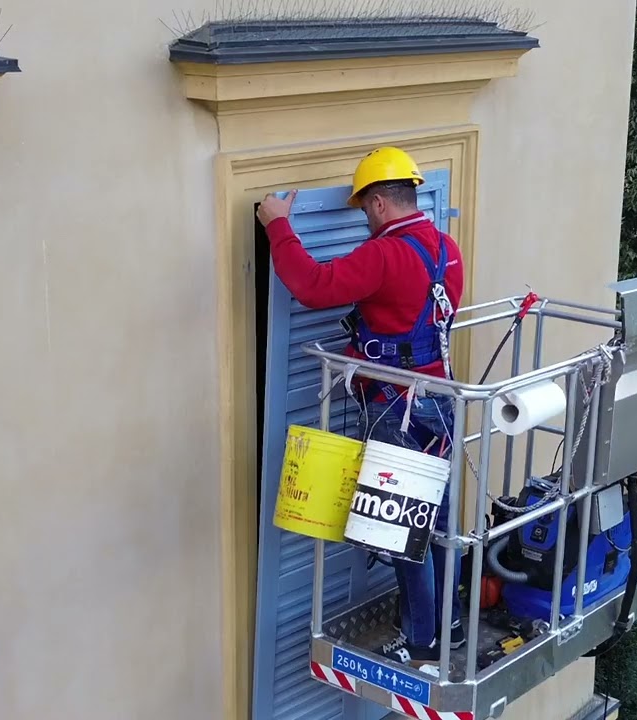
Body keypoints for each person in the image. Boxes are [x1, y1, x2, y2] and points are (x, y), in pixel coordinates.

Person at [256, 146, 466, 666]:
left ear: (377, 203)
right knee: (438, 522)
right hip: (440, 400)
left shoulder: (384, 255)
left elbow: (312, 285)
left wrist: (278, 225)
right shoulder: (447, 249)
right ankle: (451, 626)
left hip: (397, 407)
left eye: (364, 210)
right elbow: (416, 321)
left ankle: (422, 643)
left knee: (403, 531)